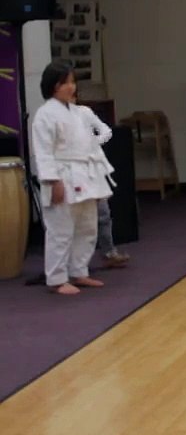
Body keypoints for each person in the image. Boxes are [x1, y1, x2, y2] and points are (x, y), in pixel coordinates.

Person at [30, 61, 114, 295]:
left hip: (85, 174)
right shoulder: (45, 115)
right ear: (53, 86)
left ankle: (79, 271)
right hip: (62, 175)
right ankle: (57, 278)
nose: (71, 87)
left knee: (87, 227)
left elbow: (93, 139)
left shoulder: (78, 112)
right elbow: (44, 152)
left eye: (72, 82)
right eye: (65, 83)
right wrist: (52, 180)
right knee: (61, 229)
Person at [72, 98, 129, 267]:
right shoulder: (54, 117)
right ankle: (75, 263)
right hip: (72, 170)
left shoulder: (84, 112)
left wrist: (93, 143)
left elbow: (105, 131)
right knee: (76, 218)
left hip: (92, 168)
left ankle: (109, 252)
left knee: (103, 213)